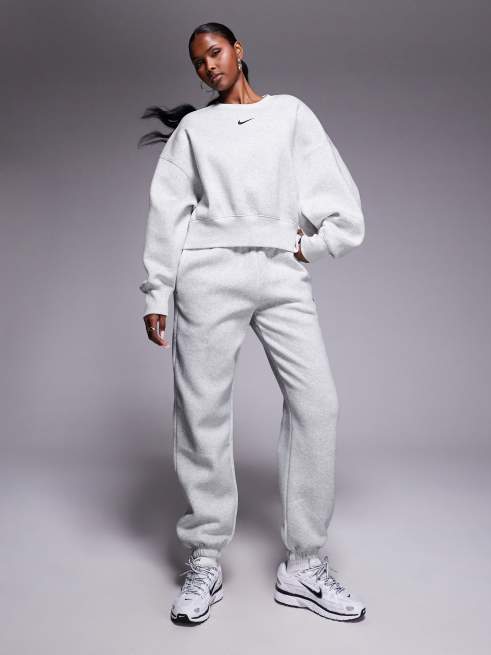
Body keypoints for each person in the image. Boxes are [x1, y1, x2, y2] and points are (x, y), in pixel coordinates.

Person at [138, 22, 366, 625]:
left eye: (215, 52)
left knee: (317, 403)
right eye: (197, 62)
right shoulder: (194, 130)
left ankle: (304, 564)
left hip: (280, 273)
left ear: (238, 51)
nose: (208, 67)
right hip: (206, 275)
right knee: (202, 411)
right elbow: (168, 210)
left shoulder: (290, 114)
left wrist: (312, 245)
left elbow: (336, 198)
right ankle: (205, 557)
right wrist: (158, 290)